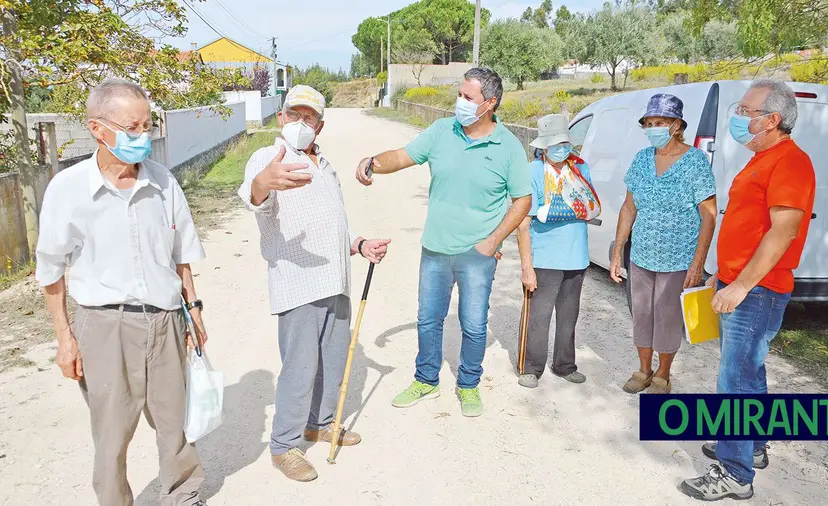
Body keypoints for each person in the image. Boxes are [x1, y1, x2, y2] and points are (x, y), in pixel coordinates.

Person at [35, 78, 207, 506]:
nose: (143, 137)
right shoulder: (68, 189)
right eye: (133, 128)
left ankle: (183, 497)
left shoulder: (163, 182)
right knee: (111, 434)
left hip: (165, 321)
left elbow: (181, 252)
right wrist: (64, 339)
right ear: (98, 128)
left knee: (174, 425)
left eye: (147, 125)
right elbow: (51, 271)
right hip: (104, 325)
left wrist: (194, 309)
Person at [355, 67, 532, 417]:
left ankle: (468, 384)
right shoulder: (442, 131)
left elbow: (522, 201)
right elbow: (403, 156)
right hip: (435, 249)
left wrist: (493, 240)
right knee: (428, 319)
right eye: (460, 94)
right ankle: (426, 380)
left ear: (490, 104)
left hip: (477, 254)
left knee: (473, 323)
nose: (460, 102)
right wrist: (372, 161)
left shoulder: (509, 147)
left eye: (468, 97)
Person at [238, 85, 390, 482]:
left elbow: (333, 220)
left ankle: (319, 423)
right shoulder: (268, 157)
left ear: (319, 126)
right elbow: (255, 197)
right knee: (300, 367)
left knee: (332, 359)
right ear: (280, 117)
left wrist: (358, 244)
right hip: (297, 281)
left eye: (309, 118)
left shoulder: (325, 164)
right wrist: (263, 181)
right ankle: (284, 446)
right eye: (294, 114)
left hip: (335, 278)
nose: (300, 123)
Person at [680, 79, 816, 501]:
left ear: (772, 119)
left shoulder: (790, 162)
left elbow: (784, 231)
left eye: (746, 111)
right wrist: (719, 275)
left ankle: (735, 474)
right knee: (750, 374)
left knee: (735, 380)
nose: (737, 118)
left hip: (757, 292)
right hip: (740, 283)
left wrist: (739, 285)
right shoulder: (762, 158)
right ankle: (751, 447)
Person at [610, 93, 717, 395]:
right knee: (641, 314)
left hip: (679, 258)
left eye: (660, 122)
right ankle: (643, 369)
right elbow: (629, 207)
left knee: (668, 318)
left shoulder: (695, 161)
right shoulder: (642, 159)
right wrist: (618, 251)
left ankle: (663, 374)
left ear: (676, 125)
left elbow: (708, 215)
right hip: (642, 254)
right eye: (649, 123)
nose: (653, 128)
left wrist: (698, 264)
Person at [515, 114, 600, 388]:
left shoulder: (580, 170)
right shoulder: (533, 172)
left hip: (576, 256)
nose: (561, 149)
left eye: (564, 143)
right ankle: (531, 367)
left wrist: (551, 212)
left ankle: (565, 365)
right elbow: (525, 222)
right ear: (544, 146)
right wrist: (527, 266)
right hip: (545, 256)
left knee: (569, 315)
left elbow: (591, 207)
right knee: (538, 316)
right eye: (555, 144)